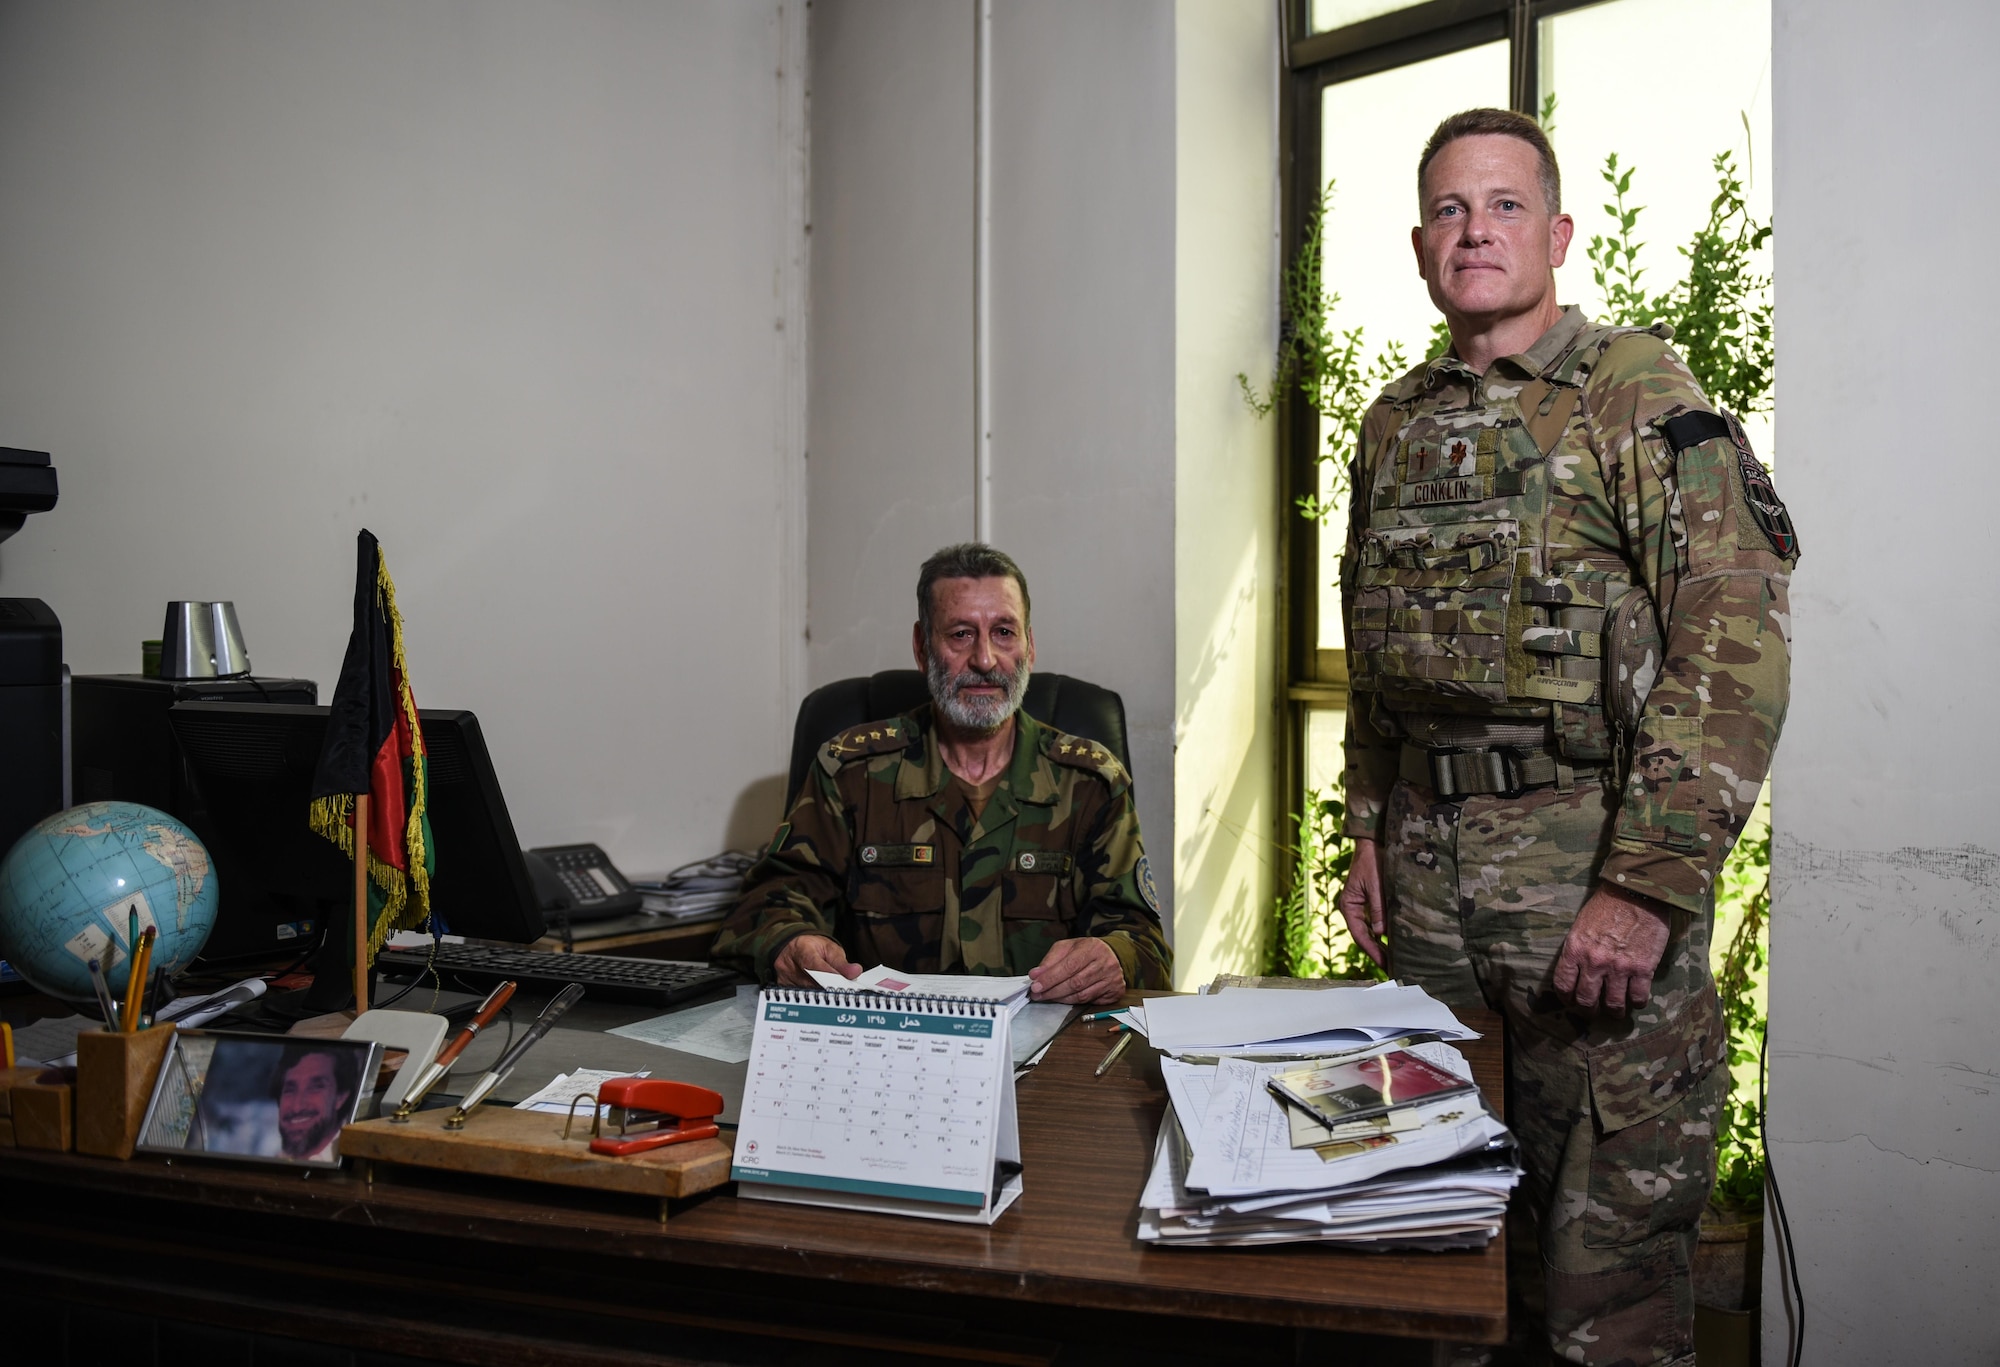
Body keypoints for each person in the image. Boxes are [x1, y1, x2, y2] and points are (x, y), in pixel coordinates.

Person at [1334, 109, 1795, 1366]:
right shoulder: (1392, 421)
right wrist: (1366, 826)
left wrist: (1644, 888)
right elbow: (1373, 652)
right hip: (1429, 902)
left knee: (1608, 1287)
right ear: (1418, 243)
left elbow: (1732, 644)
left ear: (1556, 232)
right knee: (1431, 1255)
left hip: (1588, 892)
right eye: (1446, 208)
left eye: (1499, 205)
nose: (1471, 230)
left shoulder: (1634, 394)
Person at [712, 543, 1172, 1005]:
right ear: (921, 646)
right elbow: (766, 906)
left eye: (1004, 632)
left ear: (1030, 647)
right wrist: (790, 942)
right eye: (961, 634)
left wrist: (1114, 956)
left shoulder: (1091, 782)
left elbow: (1145, 944)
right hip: (887, 1046)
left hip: (1048, 1055)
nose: (986, 660)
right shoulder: (850, 772)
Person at [274, 1044, 360, 1162]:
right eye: (290, 1090)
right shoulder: (275, 1162)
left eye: (315, 1088)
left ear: (341, 1097)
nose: (297, 1107)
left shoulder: (355, 1160)